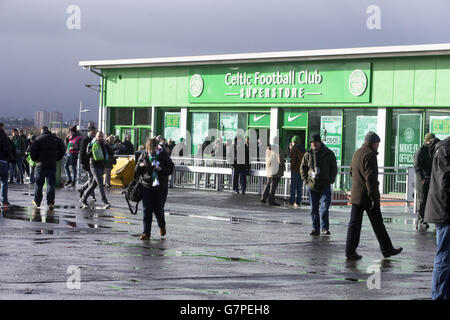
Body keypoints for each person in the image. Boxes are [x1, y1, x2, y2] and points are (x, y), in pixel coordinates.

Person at [345, 131, 403, 261]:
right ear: (372, 143)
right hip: (367, 196)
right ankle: (387, 249)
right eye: (377, 143)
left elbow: (351, 172)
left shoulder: (357, 153)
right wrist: (373, 196)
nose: (378, 146)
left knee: (354, 224)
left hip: (356, 195)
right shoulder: (370, 155)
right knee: (378, 223)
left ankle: (350, 251)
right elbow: (370, 178)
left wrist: (357, 184)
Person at [424, 136, 450, 300]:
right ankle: (439, 296)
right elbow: (445, 181)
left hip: (444, 210)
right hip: (444, 211)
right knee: (444, 255)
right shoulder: (445, 149)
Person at [135, 138, 174, 240]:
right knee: (147, 209)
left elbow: (171, 168)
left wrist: (161, 169)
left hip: (160, 186)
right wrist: (140, 165)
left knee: (158, 210)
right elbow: (136, 170)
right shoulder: (144, 155)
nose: (151, 151)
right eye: (149, 149)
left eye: (153, 148)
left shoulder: (163, 155)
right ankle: (146, 233)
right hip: (146, 185)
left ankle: (162, 226)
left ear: (157, 147)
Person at [300, 134, 337, 236]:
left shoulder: (328, 153)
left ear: (320, 142)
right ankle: (315, 228)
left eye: (316, 142)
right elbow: (303, 168)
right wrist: (306, 181)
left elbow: (334, 167)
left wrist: (331, 179)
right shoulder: (308, 154)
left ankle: (325, 228)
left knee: (325, 207)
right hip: (312, 185)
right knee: (314, 208)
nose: (314, 144)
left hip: (325, 183)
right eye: (312, 142)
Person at [30, 126, 65, 209]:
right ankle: (50, 203)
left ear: (42, 131)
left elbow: (32, 151)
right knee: (51, 184)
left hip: (40, 165)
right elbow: (63, 149)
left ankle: (37, 202)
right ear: (48, 131)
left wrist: (35, 159)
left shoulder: (37, 140)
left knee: (39, 184)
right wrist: (57, 158)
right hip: (52, 164)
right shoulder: (56, 139)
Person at [79, 131, 111, 209]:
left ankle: (83, 198)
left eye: (101, 136)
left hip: (101, 166)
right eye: (99, 136)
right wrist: (92, 148)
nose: (100, 137)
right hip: (94, 165)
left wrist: (107, 144)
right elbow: (87, 154)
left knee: (94, 184)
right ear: (96, 137)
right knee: (100, 183)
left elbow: (110, 152)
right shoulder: (92, 143)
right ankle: (105, 201)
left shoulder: (103, 144)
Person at [414, 133, 435, 230]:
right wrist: (422, 178)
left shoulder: (432, 150)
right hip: (422, 181)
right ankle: (422, 220)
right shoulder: (421, 150)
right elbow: (417, 166)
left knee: (430, 201)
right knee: (421, 202)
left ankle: (428, 219)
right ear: (427, 141)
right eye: (431, 141)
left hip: (430, 180)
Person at [261, 139, 285, 206]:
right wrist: (283, 166)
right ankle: (271, 200)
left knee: (268, 184)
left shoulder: (268, 149)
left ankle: (263, 197)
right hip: (276, 170)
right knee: (273, 186)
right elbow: (280, 160)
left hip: (269, 169)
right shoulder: (278, 149)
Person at [78, 126, 97, 201]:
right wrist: (82, 162)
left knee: (91, 178)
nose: (94, 133)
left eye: (94, 132)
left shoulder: (94, 139)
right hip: (87, 162)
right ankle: (91, 194)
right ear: (89, 131)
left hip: (92, 162)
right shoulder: (85, 140)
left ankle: (83, 189)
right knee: (91, 178)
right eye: (93, 131)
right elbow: (82, 151)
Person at [288, 135, 306, 209]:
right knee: (299, 187)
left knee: (293, 187)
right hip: (301, 171)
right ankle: (298, 202)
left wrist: (291, 168)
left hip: (295, 170)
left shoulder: (294, 148)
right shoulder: (303, 149)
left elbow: (293, 160)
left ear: (293, 142)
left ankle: (291, 202)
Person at [0, 123, 10, 207]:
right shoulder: (4, 137)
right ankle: (4, 200)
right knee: (4, 181)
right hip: (2, 161)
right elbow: (7, 149)